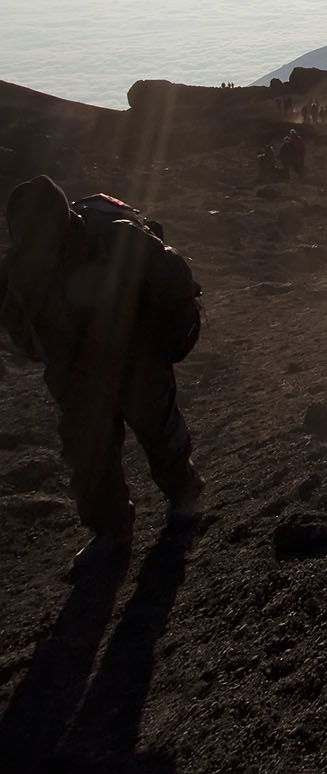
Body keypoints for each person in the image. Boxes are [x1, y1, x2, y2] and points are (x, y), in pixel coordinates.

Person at [0, 177, 204, 578]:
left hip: (133, 354)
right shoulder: (18, 267)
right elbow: (14, 319)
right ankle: (110, 530)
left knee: (157, 427)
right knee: (86, 452)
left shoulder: (113, 239)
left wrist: (157, 342)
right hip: (74, 371)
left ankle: (184, 492)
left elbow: (176, 283)